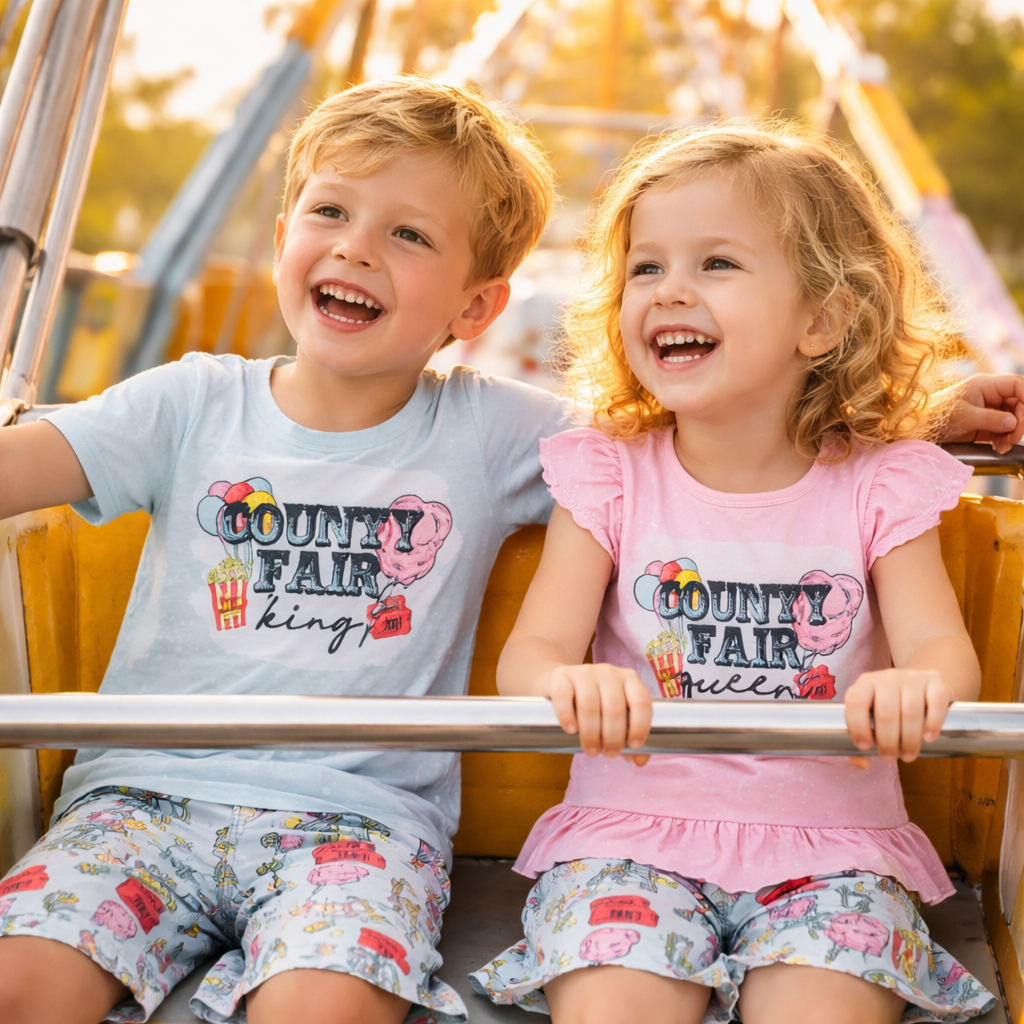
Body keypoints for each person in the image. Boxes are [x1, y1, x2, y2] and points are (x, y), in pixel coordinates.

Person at [0, 78, 570, 1024]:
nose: (355, 247)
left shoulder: (490, 432)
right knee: (20, 987)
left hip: (360, 824)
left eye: (409, 235)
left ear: (477, 306)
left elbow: (681, 462)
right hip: (140, 798)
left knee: (324, 1007)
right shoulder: (188, 404)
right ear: (283, 240)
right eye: (332, 211)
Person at [470, 121, 1023, 1024]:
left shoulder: (879, 482)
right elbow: (530, 652)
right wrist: (570, 683)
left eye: (716, 264)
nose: (669, 292)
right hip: (628, 839)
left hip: (833, 847)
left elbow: (937, 647)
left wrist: (917, 688)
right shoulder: (611, 470)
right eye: (646, 268)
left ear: (823, 319)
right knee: (617, 1008)